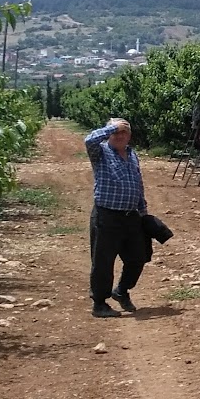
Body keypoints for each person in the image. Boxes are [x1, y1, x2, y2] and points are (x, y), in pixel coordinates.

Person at [85, 116, 148, 317]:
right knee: (103, 261)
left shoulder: (132, 154)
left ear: (129, 135)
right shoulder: (101, 152)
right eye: (115, 132)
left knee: (139, 256)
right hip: (106, 216)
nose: (119, 136)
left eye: (123, 132)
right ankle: (100, 303)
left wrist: (143, 211)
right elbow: (89, 140)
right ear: (109, 134)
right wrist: (111, 127)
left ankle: (121, 291)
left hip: (131, 216)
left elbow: (137, 183)